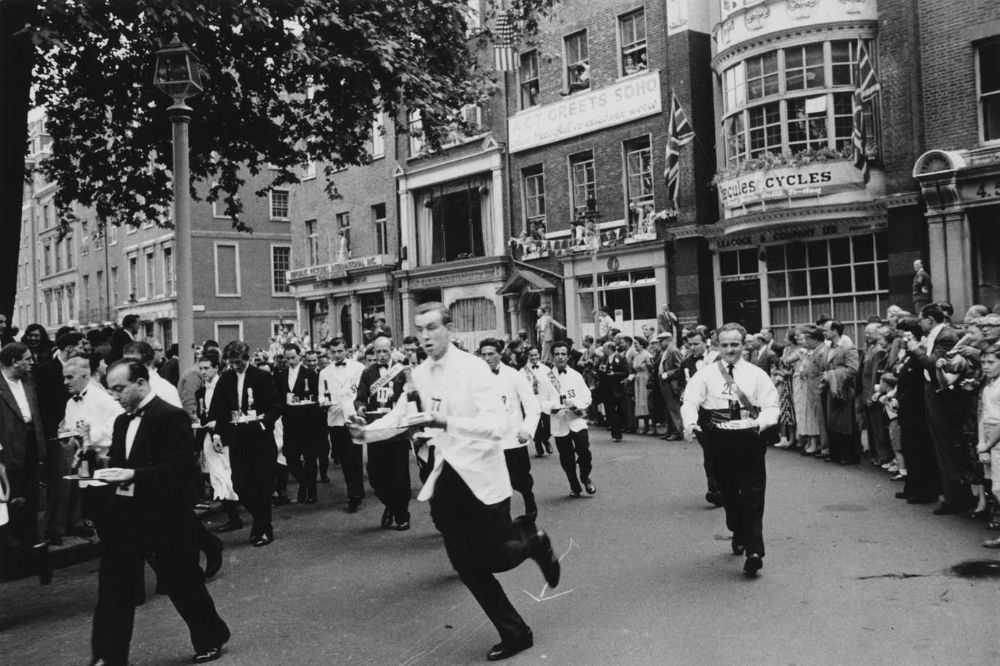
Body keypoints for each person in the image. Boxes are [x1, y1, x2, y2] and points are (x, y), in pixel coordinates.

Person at [352, 303, 560, 661]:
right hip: (447, 475)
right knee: (466, 564)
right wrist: (366, 432)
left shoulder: (474, 369)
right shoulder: (419, 372)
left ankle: (533, 540)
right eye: (420, 330)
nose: (426, 336)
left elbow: (497, 427)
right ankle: (516, 633)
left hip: (481, 475)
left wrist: (447, 422)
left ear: (449, 328)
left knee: (493, 557)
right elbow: (405, 414)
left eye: (433, 327)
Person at [91, 360, 230, 665]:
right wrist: (103, 470)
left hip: (165, 516)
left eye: (119, 388)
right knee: (114, 587)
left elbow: (179, 468)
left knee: (182, 582)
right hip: (126, 517)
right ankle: (108, 655)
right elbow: (121, 463)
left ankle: (211, 635)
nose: (115, 396)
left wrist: (133, 476)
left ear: (140, 383)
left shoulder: (171, 417)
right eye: (111, 389)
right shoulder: (121, 422)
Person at [681, 323, 779, 577]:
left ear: (744, 345)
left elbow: (771, 405)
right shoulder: (705, 374)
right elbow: (690, 400)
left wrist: (761, 423)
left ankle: (755, 551)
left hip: (749, 437)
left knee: (754, 494)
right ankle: (737, 528)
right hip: (719, 439)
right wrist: (690, 423)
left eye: (735, 344)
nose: (730, 349)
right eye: (724, 345)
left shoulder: (757, 375)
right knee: (728, 492)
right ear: (717, 346)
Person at [906, 304, 976, 514]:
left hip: (943, 398)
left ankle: (955, 498)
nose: (919, 323)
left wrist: (914, 348)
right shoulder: (937, 336)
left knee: (946, 447)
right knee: (940, 446)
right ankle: (950, 494)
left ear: (930, 319)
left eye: (921, 319)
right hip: (933, 393)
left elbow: (934, 363)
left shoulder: (945, 336)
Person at [208, 341, 279, 547]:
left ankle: (264, 528)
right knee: (240, 484)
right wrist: (217, 435)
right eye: (231, 363)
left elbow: (276, 405)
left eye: (238, 362)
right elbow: (217, 409)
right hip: (238, 438)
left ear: (246, 358)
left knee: (262, 485)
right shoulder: (226, 378)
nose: (235, 366)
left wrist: (264, 420)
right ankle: (260, 521)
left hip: (260, 438)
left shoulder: (263, 377)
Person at [0, 342, 49, 583]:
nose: (31, 363)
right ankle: (13, 556)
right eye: (27, 359)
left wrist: (40, 446)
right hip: (7, 449)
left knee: (31, 499)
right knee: (12, 502)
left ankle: (31, 551)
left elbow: (36, 413)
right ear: (12, 361)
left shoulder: (29, 381)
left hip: (31, 443)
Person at [479, 338, 540, 518]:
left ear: (500, 354)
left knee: (520, 480)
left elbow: (532, 406)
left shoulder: (514, 375)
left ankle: (529, 499)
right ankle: (502, 521)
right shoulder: (476, 378)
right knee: (494, 484)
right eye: (483, 355)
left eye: (491, 354)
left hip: (513, 439)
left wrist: (526, 429)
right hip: (489, 441)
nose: (487, 358)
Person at [356, 336, 412, 529]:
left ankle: (402, 515)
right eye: (378, 351)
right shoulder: (368, 373)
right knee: (376, 477)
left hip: (397, 432)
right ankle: (390, 506)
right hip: (377, 430)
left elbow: (411, 397)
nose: (381, 355)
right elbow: (360, 397)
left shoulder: (401, 371)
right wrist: (361, 407)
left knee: (400, 477)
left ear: (392, 350)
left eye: (385, 351)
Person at [195, 350, 242, 535]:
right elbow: (203, 415)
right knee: (217, 477)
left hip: (224, 437)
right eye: (201, 368)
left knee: (228, 476)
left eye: (207, 368)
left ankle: (236, 514)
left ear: (216, 368)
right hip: (208, 437)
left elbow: (231, 411)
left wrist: (218, 430)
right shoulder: (201, 390)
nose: (203, 372)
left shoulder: (225, 385)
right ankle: (233, 516)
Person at [318, 337, 366, 512]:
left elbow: (362, 391)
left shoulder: (359, 368)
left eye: (340, 351)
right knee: (345, 459)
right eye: (333, 352)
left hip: (353, 417)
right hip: (336, 419)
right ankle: (352, 490)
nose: (337, 355)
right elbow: (321, 396)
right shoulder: (324, 373)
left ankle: (355, 494)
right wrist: (325, 402)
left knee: (355, 456)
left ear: (346, 350)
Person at [546, 341, 596, 498]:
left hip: (576, 420)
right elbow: (540, 400)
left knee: (584, 452)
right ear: (552, 357)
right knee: (566, 457)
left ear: (568, 357)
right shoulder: (547, 377)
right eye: (557, 354)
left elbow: (586, 396)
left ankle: (585, 477)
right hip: (559, 422)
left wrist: (577, 405)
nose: (560, 357)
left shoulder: (576, 375)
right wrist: (552, 407)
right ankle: (574, 484)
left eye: (563, 354)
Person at [678, 330, 722, 507]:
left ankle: (728, 485)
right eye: (690, 344)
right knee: (709, 451)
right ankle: (714, 488)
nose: (693, 347)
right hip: (701, 413)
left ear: (706, 342)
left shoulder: (717, 359)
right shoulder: (687, 362)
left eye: (697, 343)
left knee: (723, 451)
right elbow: (683, 383)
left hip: (719, 410)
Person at [274, 343, 322, 505]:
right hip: (290, 421)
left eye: (293, 357)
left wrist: (307, 402)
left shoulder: (310, 374)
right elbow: (279, 397)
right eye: (287, 358)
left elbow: (317, 396)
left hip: (307, 421)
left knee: (309, 457)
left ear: (300, 356)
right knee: (290, 456)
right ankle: (304, 482)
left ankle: (312, 491)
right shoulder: (281, 375)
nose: (290, 361)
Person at [821, 321, 860, 465]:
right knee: (832, 422)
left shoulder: (848, 348)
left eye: (826, 330)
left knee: (844, 423)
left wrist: (832, 374)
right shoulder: (828, 347)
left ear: (835, 331)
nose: (823, 332)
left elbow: (853, 369)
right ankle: (835, 453)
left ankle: (848, 455)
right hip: (831, 389)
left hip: (843, 390)